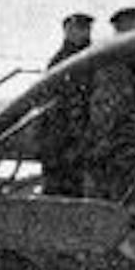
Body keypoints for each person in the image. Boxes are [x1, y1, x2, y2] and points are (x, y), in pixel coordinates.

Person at [84, 6, 135, 204]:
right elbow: (111, 103)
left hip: (130, 142)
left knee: (128, 193)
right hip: (116, 140)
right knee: (112, 195)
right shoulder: (110, 58)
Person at [35, 11, 95, 198]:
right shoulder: (59, 63)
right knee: (57, 188)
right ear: (67, 30)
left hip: (83, 137)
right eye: (79, 29)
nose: (84, 33)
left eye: (86, 29)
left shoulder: (95, 59)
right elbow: (49, 102)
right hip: (60, 139)